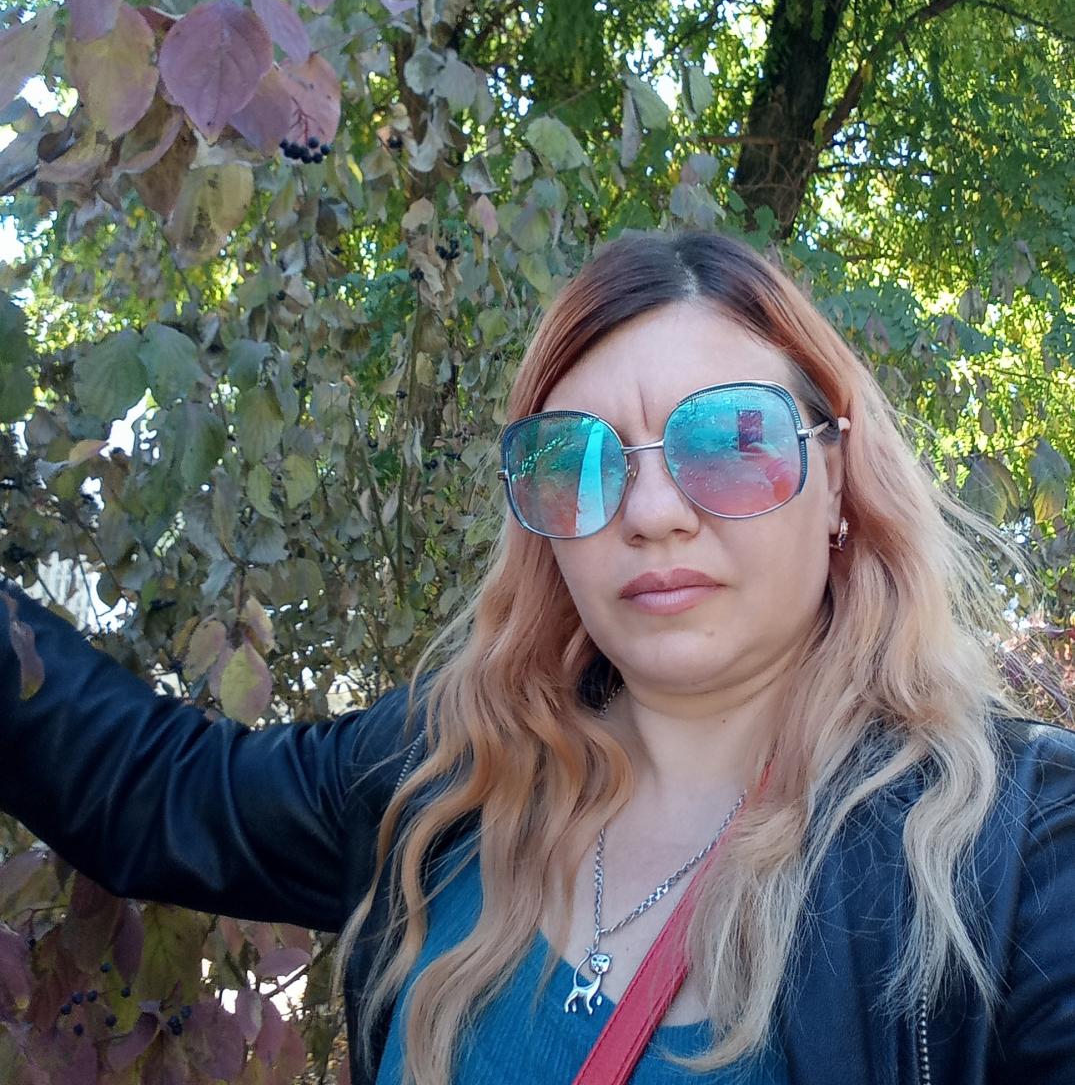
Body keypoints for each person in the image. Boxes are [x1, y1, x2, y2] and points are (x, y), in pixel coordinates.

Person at [2, 226, 1074, 1085]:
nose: (650, 511)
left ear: (834, 477)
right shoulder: (448, 776)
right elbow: (155, 793)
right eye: (578, 461)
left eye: (727, 442)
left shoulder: (1014, 860)